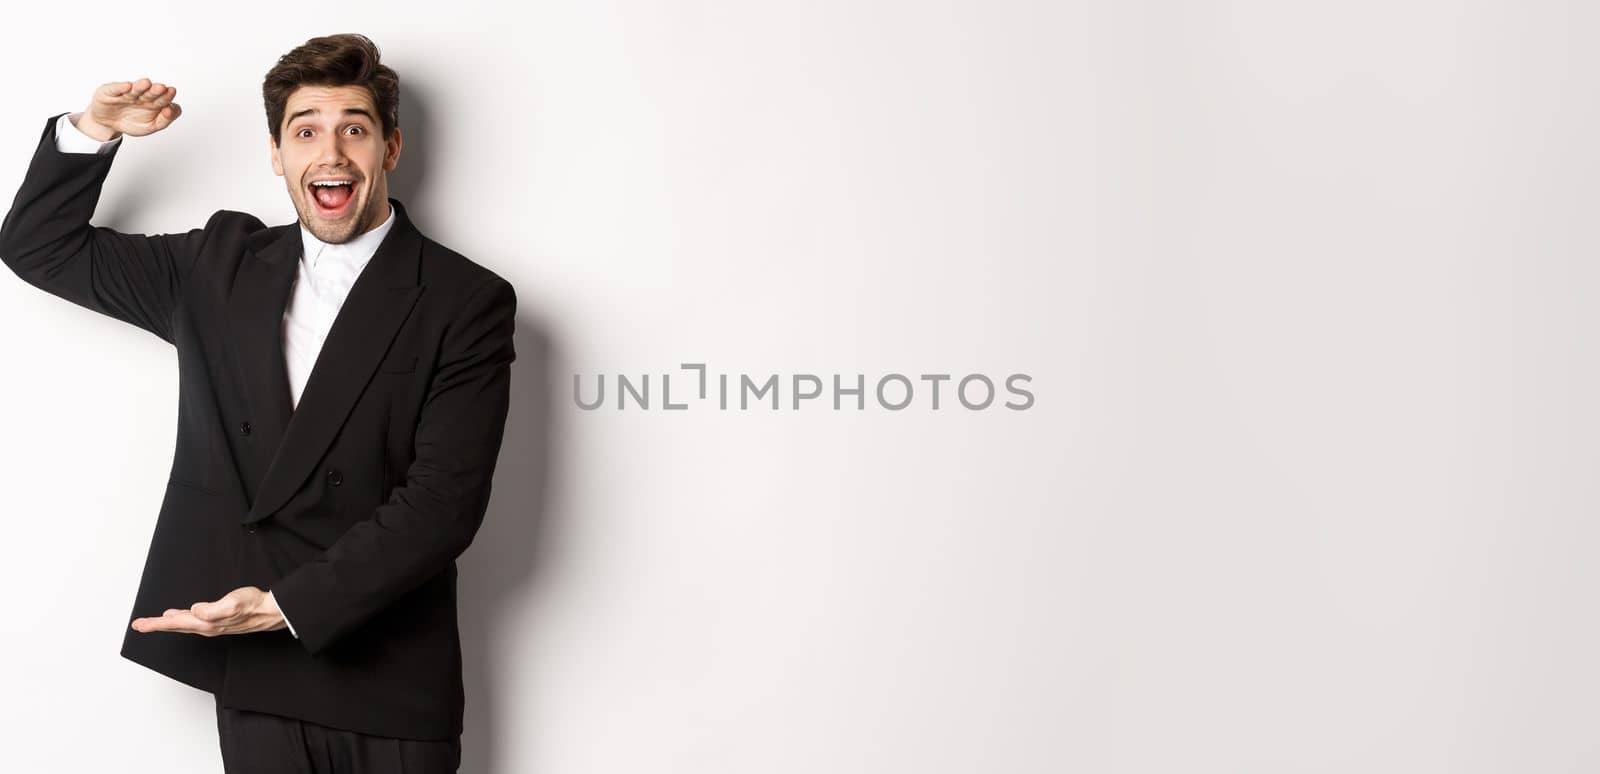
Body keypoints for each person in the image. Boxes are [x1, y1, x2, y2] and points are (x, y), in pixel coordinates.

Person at [0, 33, 515, 773]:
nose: (330, 153)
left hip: (391, 675)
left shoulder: (466, 300)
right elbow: (39, 249)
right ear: (277, 155)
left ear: (390, 148)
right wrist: (95, 128)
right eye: (305, 130)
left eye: (354, 129)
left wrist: (284, 606)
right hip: (258, 672)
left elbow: (443, 504)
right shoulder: (215, 266)